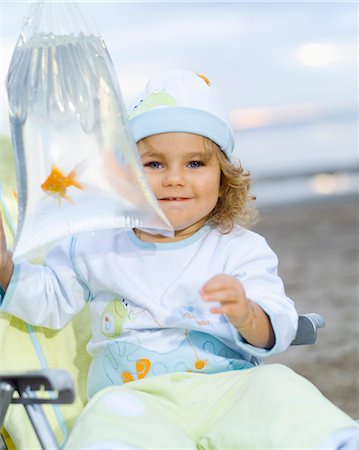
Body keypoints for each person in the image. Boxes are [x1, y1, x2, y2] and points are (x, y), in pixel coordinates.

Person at [0, 69, 357, 449]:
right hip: (137, 398)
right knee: (104, 422)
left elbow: (278, 321)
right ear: (125, 175)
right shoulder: (96, 245)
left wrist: (248, 314)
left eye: (195, 164)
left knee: (278, 387)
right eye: (154, 164)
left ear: (224, 177)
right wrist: (7, 267)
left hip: (228, 390)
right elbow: (50, 299)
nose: (174, 178)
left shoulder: (238, 248)